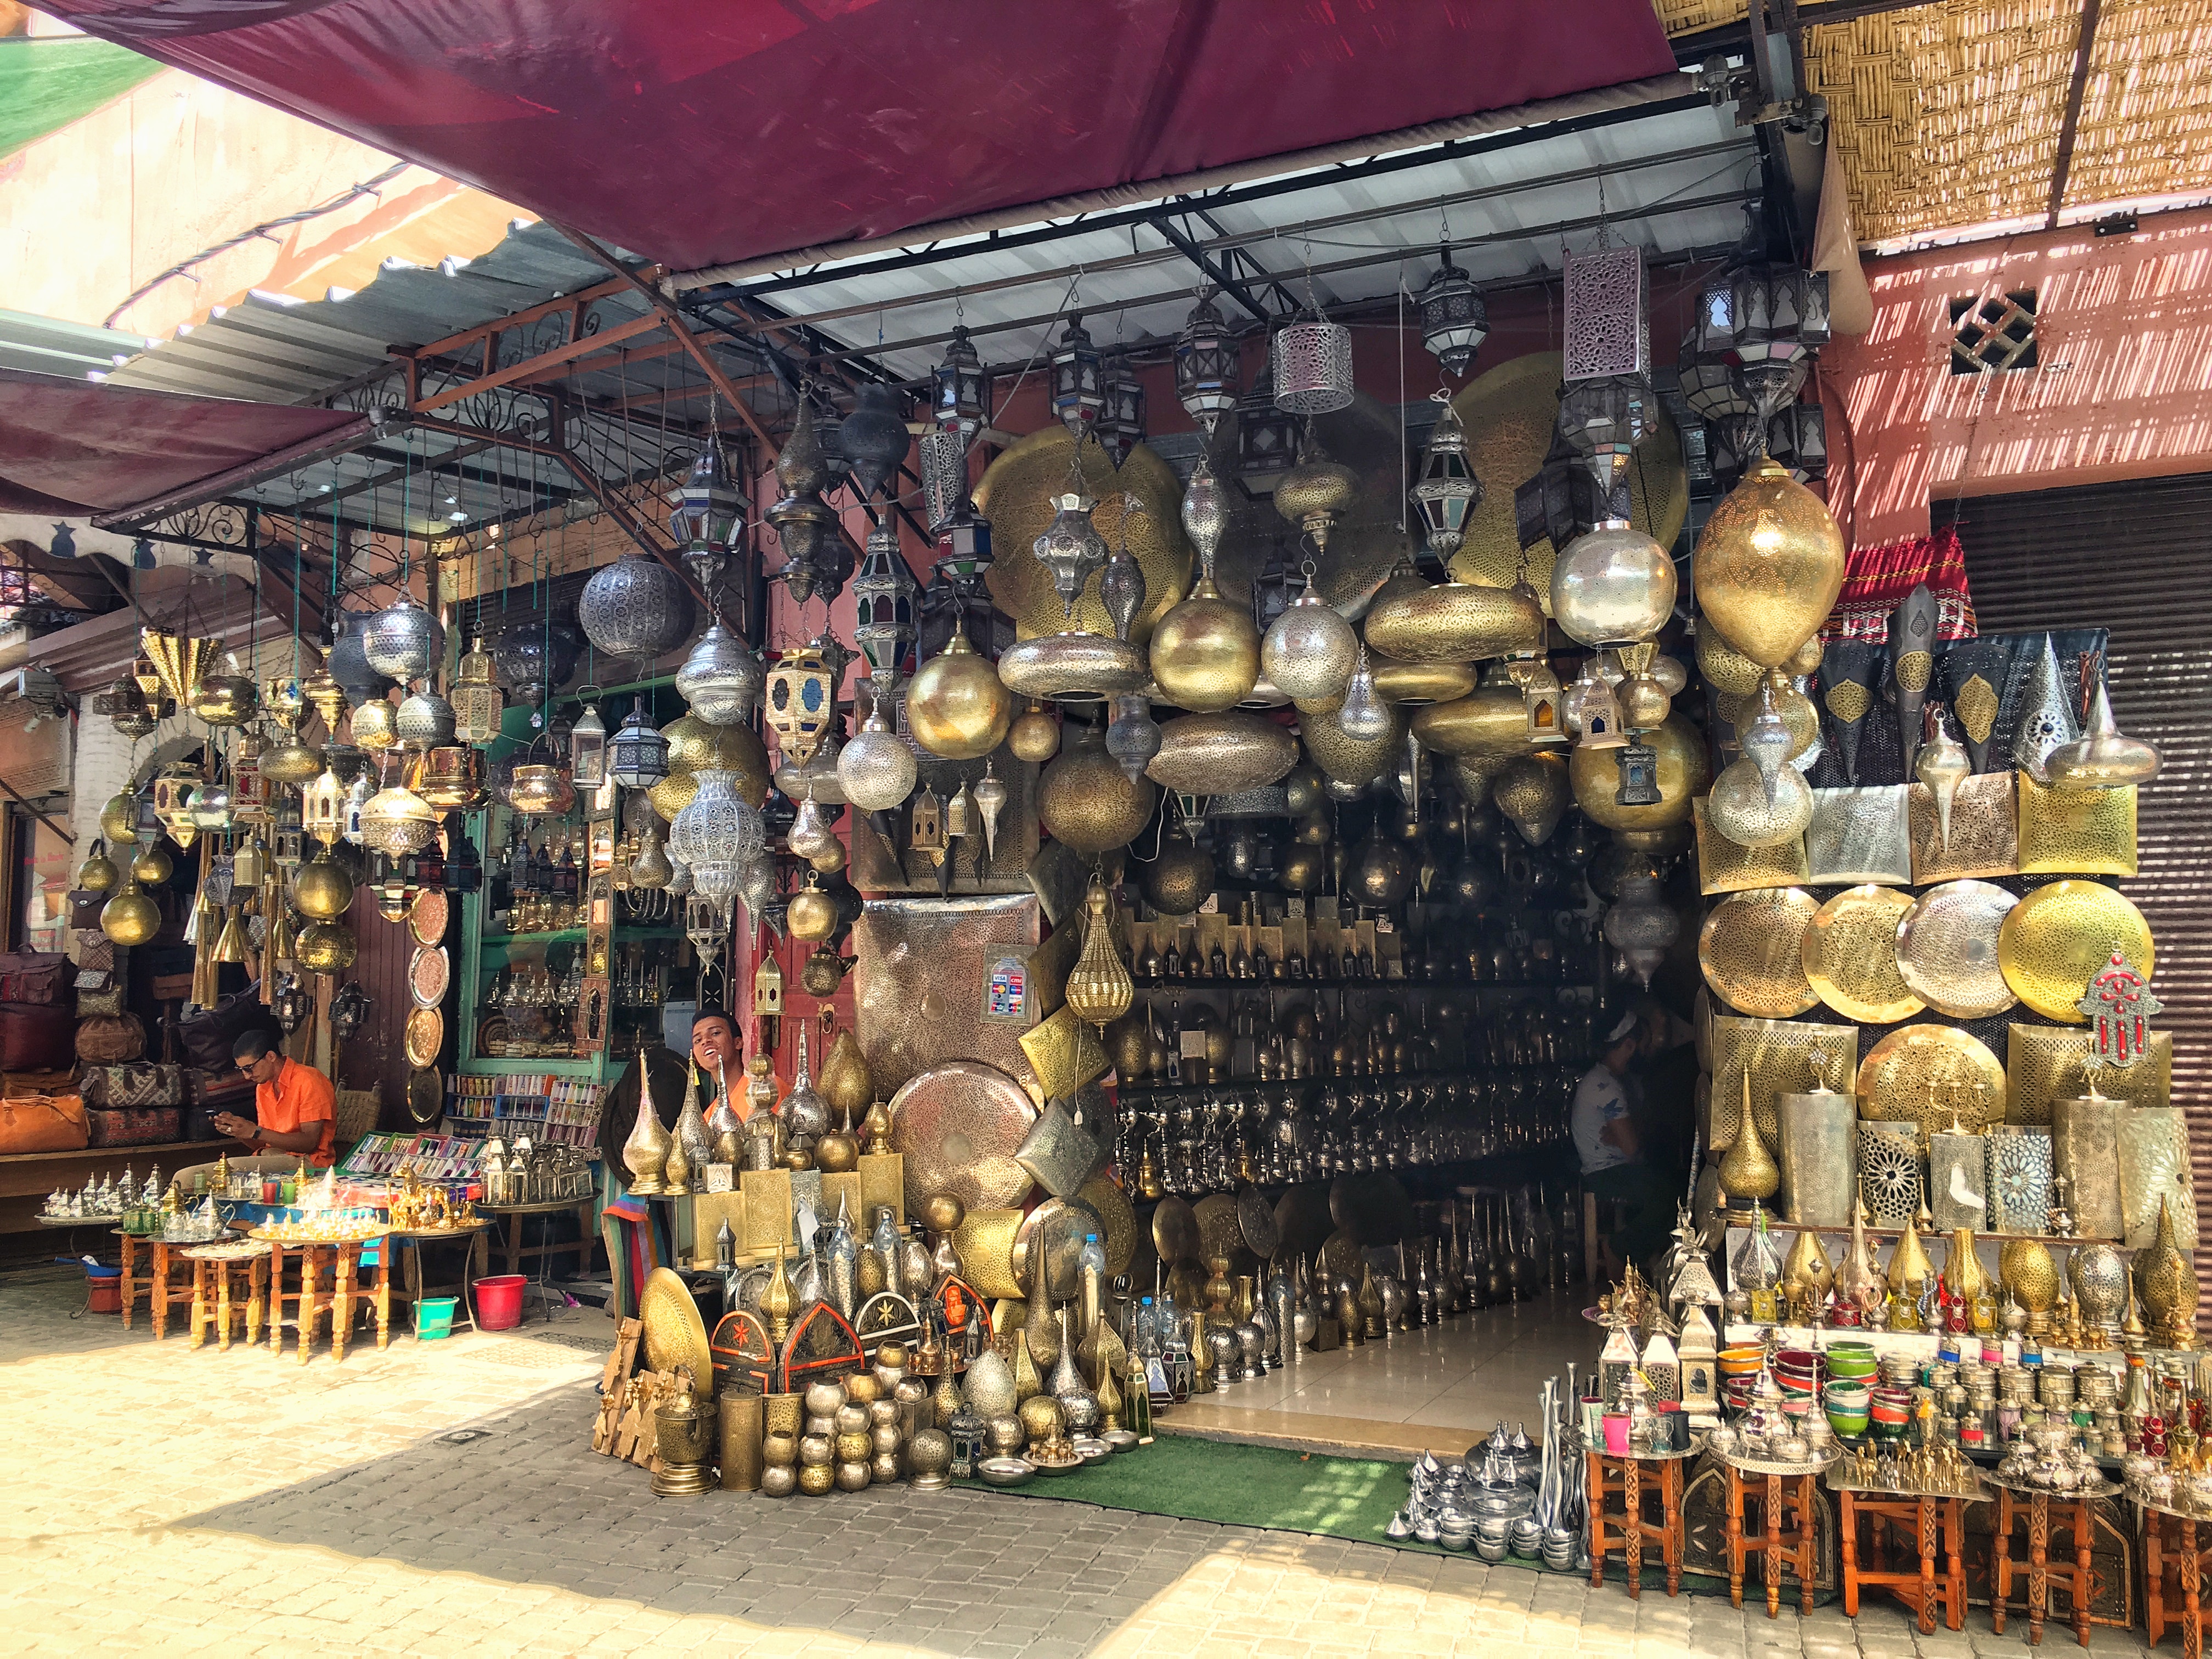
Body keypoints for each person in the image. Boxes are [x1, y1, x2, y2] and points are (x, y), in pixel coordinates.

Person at [1572, 1009, 1675, 1280]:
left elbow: (1633, 1136)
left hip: (1614, 1169)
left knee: (1668, 1188)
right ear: (1629, 1044)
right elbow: (1632, 1148)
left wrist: (1632, 1129)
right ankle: (1622, 1249)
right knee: (1669, 1196)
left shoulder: (1607, 1081)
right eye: (1637, 1046)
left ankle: (1641, 1258)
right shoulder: (1606, 1087)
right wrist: (1634, 1131)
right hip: (1605, 1174)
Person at [596, 1009, 743, 1177]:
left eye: (716, 1033)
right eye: (698, 1040)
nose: (706, 1042)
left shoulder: (760, 1091)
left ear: (738, 1042)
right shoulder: (709, 1116)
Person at [216, 1030, 337, 1167]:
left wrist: (255, 1131)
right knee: (210, 1172)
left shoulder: (308, 1080)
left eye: (249, 1068)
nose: (247, 1076)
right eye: (242, 1070)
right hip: (272, 1156)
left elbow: (309, 1144)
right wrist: (238, 1130)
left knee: (232, 1167)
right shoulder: (263, 1087)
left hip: (308, 1162)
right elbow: (263, 1142)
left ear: (270, 1056)